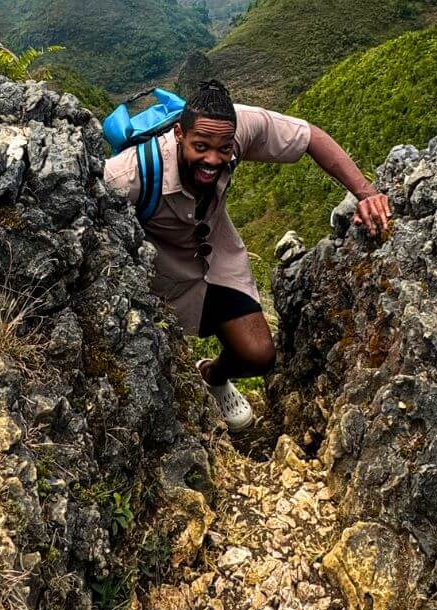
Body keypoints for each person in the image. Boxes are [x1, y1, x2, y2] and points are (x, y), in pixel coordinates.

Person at [103, 78, 391, 432]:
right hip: (160, 278)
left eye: (223, 149)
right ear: (179, 134)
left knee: (258, 355)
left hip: (218, 261)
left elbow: (310, 136)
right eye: (201, 146)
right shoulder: (128, 175)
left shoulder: (235, 127)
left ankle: (213, 376)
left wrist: (366, 194)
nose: (212, 159)